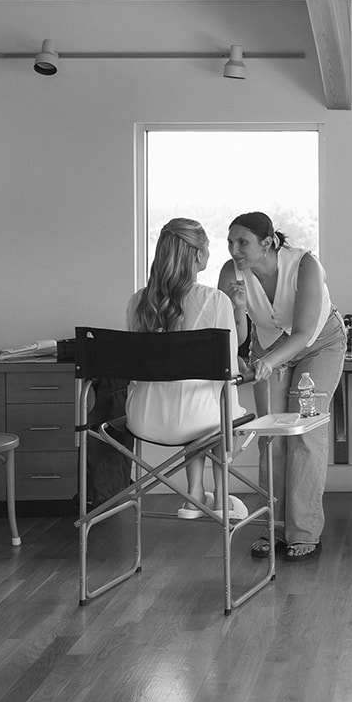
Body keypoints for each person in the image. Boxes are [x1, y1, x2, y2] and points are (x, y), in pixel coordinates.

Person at [218, 211, 346, 561]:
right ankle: (273, 528)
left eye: (242, 242)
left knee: (304, 432)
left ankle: (304, 531)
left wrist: (270, 362)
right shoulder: (232, 272)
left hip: (320, 343)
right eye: (230, 242)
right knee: (271, 435)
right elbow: (238, 337)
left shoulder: (306, 265)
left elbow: (304, 332)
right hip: (268, 345)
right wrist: (240, 309)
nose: (234, 250)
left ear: (269, 242)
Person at [124, 218, 244, 521]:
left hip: (143, 418)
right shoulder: (216, 301)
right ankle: (221, 495)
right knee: (219, 403)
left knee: (201, 403)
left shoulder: (137, 302)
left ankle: (194, 494)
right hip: (201, 419)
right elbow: (227, 365)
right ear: (197, 255)